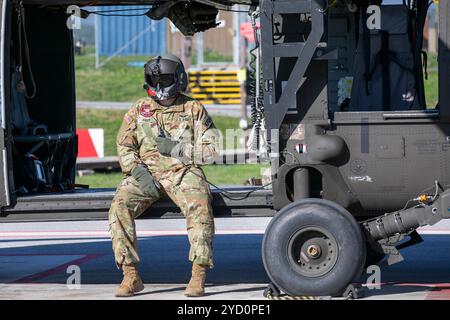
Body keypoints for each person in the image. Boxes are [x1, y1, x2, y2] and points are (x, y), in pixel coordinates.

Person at [108, 54, 220, 298]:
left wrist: (178, 149)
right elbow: (125, 145)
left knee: (200, 206)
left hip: (182, 171)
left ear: (178, 79)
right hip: (145, 173)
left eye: (165, 80)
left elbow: (211, 149)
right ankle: (130, 275)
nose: (159, 86)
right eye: (154, 80)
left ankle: (198, 273)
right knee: (119, 206)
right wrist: (137, 171)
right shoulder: (140, 109)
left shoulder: (193, 108)